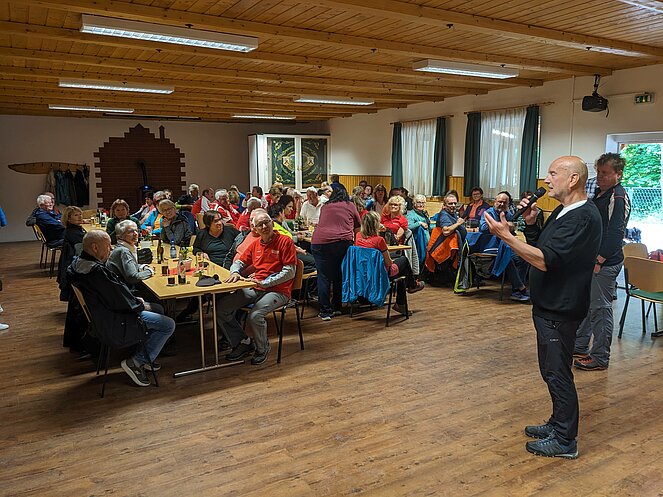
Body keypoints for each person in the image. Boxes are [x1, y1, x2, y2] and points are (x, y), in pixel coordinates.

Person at [484, 155, 602, 459]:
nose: (546, 180)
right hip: (549, 304)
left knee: (557, 373)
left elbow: (545, 260)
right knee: (550, 370)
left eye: (552, 173)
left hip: (561, 307)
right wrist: (531, 225)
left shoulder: (582, 217)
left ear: (572, 179)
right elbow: (544, 247)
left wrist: (507, 237)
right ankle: (557, 423)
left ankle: (565, 440)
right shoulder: (564, 210)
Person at [67, 230, 176, 387]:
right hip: (115, 321)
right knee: (168, 324)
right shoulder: (96, 272)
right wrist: (139, 303)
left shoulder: (78, 264)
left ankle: (145, 354)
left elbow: (115, 295)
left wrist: (133, 300)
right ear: (95, 247)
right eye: (108, 246)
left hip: (103, 315)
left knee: (158, 308)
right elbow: (121, 302)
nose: (111, 249)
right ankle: (136, 361)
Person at [216, 211, 297, 365]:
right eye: (260, 224)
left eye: (267, 222)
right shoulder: (255, 244)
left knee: (255, 315)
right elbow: (239, 262)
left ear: (272, 223)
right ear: (255, 228)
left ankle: (262, 349)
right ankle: (244, 342)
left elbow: (290, 271)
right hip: (257, 286)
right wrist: (235, 272)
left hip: (279, 290)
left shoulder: (285, 241)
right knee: (222, 308)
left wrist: (265, 283)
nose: (264, 226)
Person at [574, 153, 631, 371]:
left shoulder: (618, 197)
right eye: (598, 172)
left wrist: (600, 260)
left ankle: (600, 357)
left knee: (601, 309)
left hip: (605, 263)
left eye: (605, 173)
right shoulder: (601, 193)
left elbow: (616, 233)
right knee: (588, 305)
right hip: (592, 260)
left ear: (618, 174)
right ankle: (580, 345)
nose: (599, 177)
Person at [356, 211, 423, 314]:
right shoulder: (379, 240)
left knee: (402, 271)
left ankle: (408, 292)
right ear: (376, 224)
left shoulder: (358, 236)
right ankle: (410, 289)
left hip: (363, 272)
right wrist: (392, 261)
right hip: (381, 274)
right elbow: (388, 263)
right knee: (404, 261)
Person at [311, 187, 361, 321]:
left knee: (323, 276)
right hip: (341, 242)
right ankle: (337, 307)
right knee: (339, 274)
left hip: (319, 242)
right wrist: (357, 243)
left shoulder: (325, 207)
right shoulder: (350, 205)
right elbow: (358, 227)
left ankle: (325, 311)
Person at [480, 191, 530, 302]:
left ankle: (516, 291)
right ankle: (520, 288)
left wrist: (511, 228)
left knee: (524, 258)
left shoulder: (508, 214)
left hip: (505, 247)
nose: (502, 204)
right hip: (490, 247)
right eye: (499, 202)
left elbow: (511, 231)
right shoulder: (488, 213)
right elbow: (483, 228)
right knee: (507, 258)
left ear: (508, 204)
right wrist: (502, 226)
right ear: (495, 202)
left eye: (505, 202)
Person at [106, 220, 155, 288]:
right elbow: (133, 277)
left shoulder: (122, 247)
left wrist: (142, 267)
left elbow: (130, 266)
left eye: (136, 230)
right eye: (130, 232)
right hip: (124, 290)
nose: (135, 234)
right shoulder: (124, 251)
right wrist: (150, 271)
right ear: (120, 236)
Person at [57, 206, 87, 301]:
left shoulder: (74, 230)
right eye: (76, 215)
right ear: (69, 219)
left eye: (80, 214)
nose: (80, 217)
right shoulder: (72, 233)